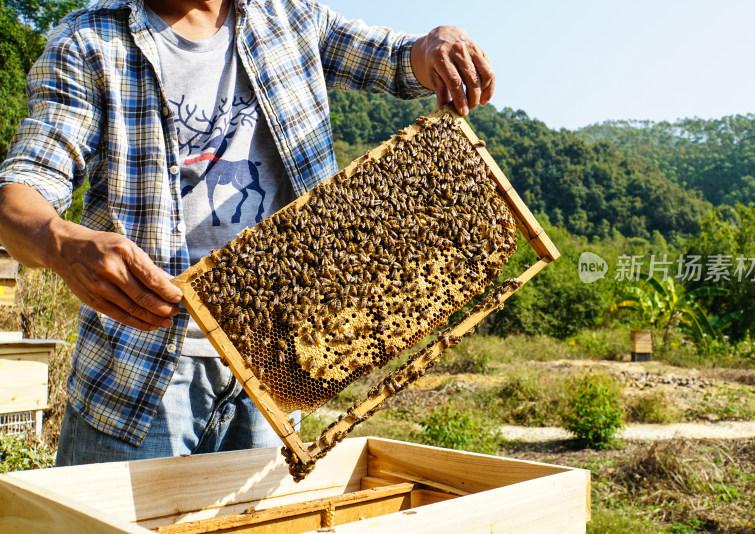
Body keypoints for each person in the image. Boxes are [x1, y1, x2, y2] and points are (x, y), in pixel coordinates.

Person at [0, 0, 495, 466]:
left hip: (276, 363)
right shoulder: (88, 42)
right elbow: (23, 189)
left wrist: (436, 45)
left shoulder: (286, 16)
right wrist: (58, 242)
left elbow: (394, 59)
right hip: (141, 374)